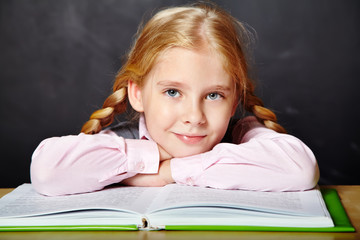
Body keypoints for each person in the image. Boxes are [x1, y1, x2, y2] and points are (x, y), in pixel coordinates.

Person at [30, 3, 319, 196]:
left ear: (234, 102)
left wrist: (169, 172)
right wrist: (150, 157)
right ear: (138, 94)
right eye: (172, 92)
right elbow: (47, 170)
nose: (194, 117)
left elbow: (301, 170)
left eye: (214, 95)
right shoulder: (120, 146)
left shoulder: (243, 135)